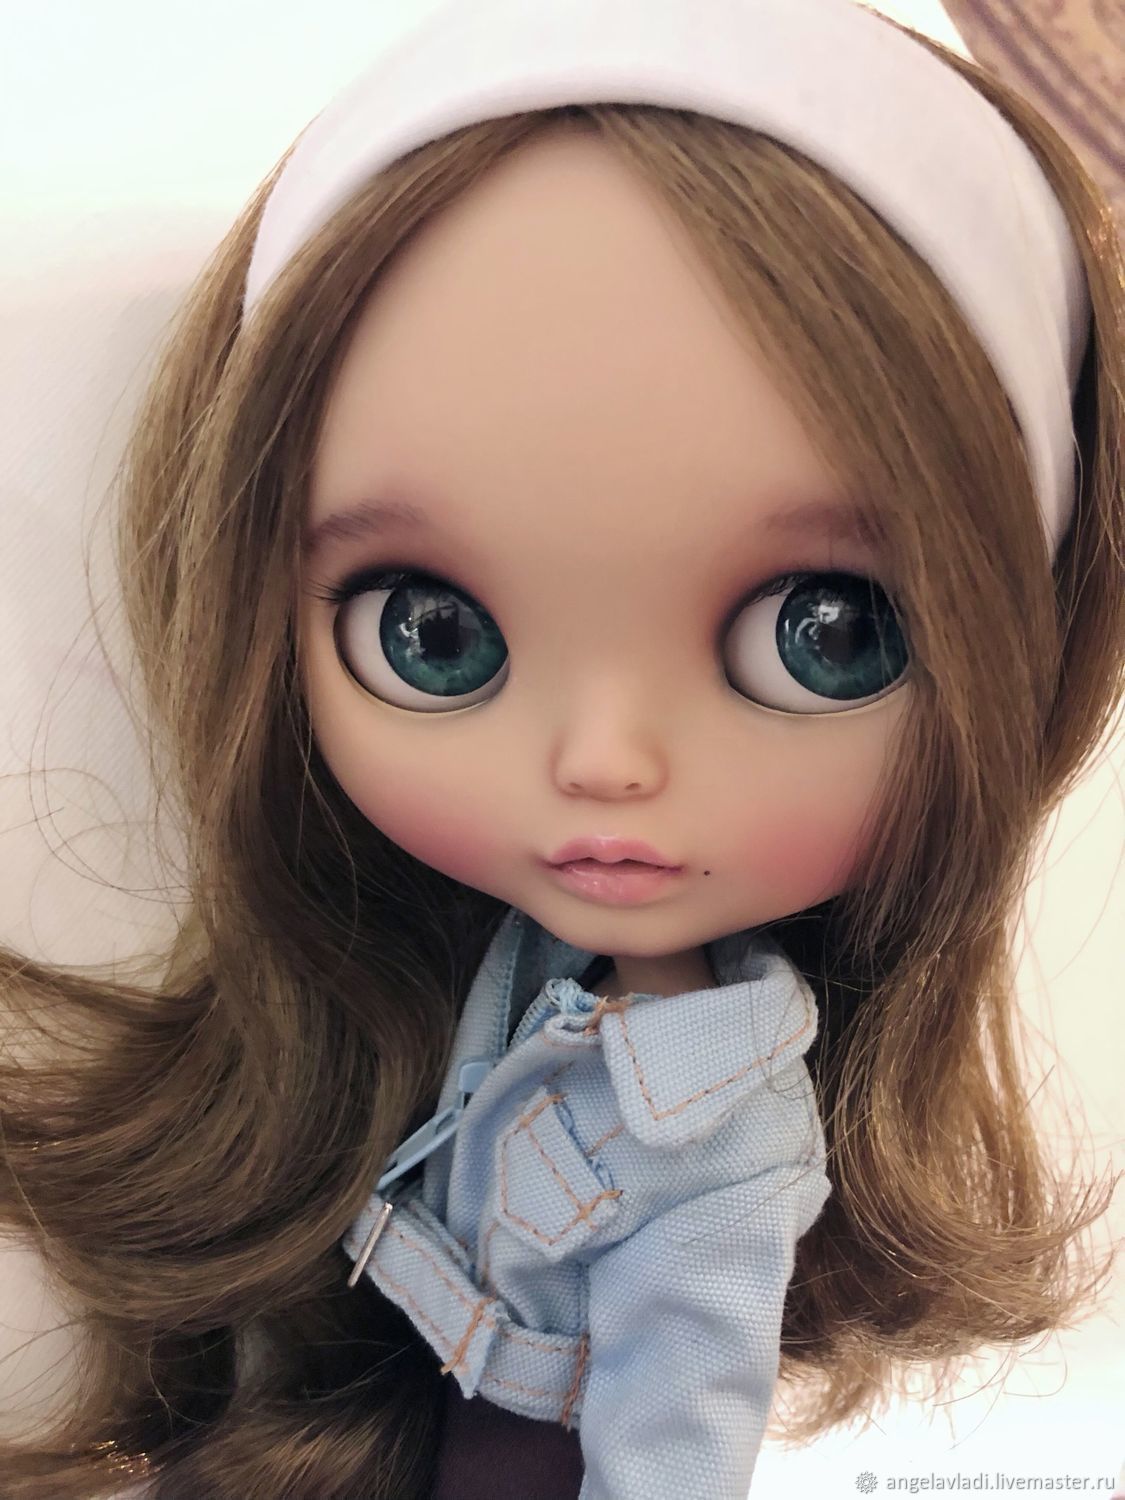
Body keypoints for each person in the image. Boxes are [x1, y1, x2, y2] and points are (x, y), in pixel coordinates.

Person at [1, 1, 1122, 1496]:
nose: (605, 762)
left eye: (826, 635)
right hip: (438, 1362)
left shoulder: (726, 1141)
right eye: (433, 634)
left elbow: (680, 1417)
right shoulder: (526, 967)